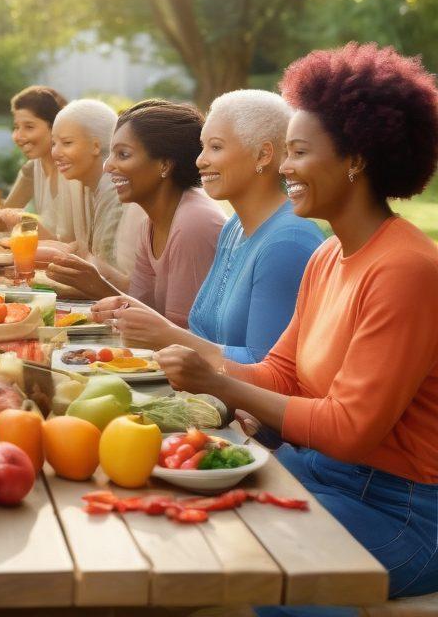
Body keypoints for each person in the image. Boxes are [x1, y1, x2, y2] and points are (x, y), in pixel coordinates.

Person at [156, 43, 438, 602]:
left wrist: (218, 382)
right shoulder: (328, 255)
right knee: (172, 518)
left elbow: (351, 429)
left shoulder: (407, 269)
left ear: (356, 158)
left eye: (299, 152)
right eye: (284, 152)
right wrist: (198, 368)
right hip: (320, 474)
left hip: (399, 512)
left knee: (244, 562)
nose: (284, 168)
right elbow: (282, 373)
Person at [91, 90, 322, 364]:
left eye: (215, 147)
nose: (200, 160)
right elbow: (202, 333)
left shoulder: (287, 243)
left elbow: (265, 368)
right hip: (207, 397)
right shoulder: (235, 226)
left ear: (262, 155)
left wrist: (168, 335)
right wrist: (127, 309)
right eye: (202, 147)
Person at [47, 99, 226, 321]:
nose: (107, 166)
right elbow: (142, 305)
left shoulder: (193, 222)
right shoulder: (153, 219)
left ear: (164, 165)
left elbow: (181, 335)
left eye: (123, 155)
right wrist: (95, 283)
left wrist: (97, 285)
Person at [44, 98, 139, 280]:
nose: (55, 153)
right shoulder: (89, 186)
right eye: (54, 144)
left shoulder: (114, 189)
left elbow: (106, 272)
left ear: (96, 146)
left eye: (67, 143)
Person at [0, 85, 71, 234]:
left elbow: (68, 237)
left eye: (29, 127)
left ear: (55, 127)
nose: (18, 136)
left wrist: (20, 221)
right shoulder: (32, 169)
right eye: (16, 127)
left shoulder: (73, 171)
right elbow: (4, 220)